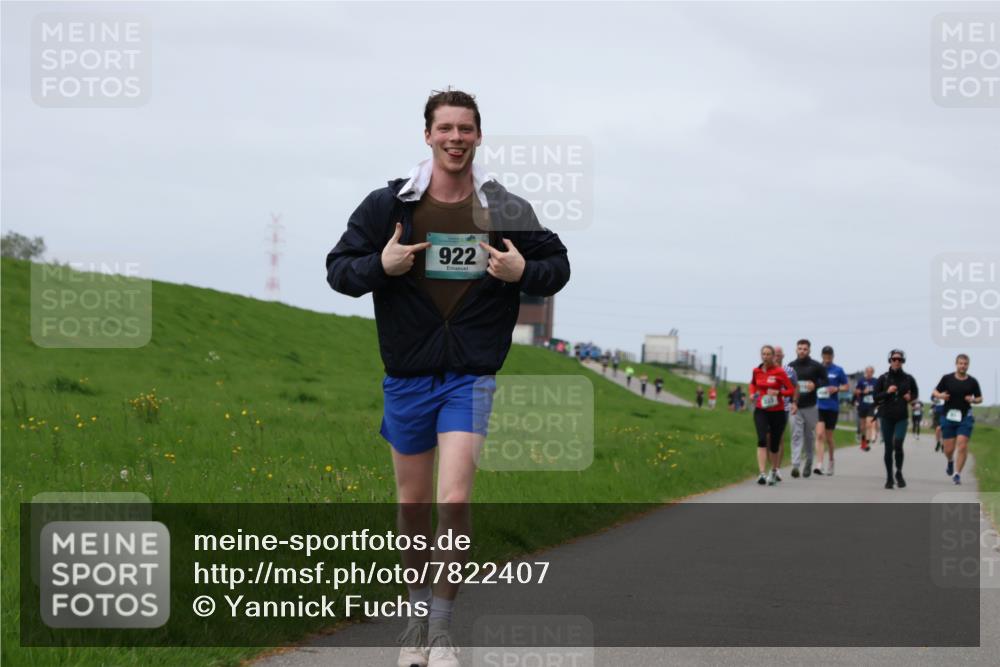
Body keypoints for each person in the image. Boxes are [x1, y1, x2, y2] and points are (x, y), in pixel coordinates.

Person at [326, 88, 570, 667]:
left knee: (454, 498)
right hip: (408, 374)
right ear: (428, 135)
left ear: (479, 136)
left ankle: (440, 630)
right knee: (412, 507)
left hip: (470, 374)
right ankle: (413, 620)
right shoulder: (388, 206)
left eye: (466, 129)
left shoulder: (504, 207)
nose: (456, 138)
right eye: (446, 129)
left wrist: (522, 271)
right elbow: (338, 270)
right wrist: (378, 267)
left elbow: (558, 266)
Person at [932, 354, 983, 485]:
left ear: (968, 365)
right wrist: (941, 396)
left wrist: (973, 400)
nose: (963, 366)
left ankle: (957, 474)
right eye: (960, 363)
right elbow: (935, 392)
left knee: (962, 445)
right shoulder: (947, 378)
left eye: (965, 364)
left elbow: (980, 398)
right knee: (948, 450)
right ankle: (950, 461)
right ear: (956, 364)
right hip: (948, 417)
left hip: (965, 417)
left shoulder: (972, 381)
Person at [749, 345, 795, 486]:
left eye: (769, 354)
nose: (766, 356)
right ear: (761, 355)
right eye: (763, 354)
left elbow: (791, 390)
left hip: (777, 411)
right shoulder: (756, 370)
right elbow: (752, 384)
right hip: (761, 409)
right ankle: (762, 473)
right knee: (762, 439)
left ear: (773, 356)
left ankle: (774, 471)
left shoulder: (779, 372)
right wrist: (752, 393)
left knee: (774, 444)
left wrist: (779, 393)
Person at [874, 349, 918, 489]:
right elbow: (876, 397)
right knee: (888, 448)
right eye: (894, 359)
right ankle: (889, 477)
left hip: (901, 417)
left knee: (898, 445)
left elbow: (915, 393)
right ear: (890, 360)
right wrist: (887, 392)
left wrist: (910, 398)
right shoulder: (883, 378)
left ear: (903, 361)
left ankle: (899, 472)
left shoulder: (908, 378)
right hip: (886, 416)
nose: (897, 361)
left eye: (899, 359)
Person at [787, 339, 827, 478]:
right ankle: (795, 465)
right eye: (800, 348)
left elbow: (825, 381)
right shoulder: (791, 366)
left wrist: (815, 384)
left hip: (811, 406)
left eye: (805, 349)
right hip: (795, 406)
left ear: (809, 350)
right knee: (796, 435)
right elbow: (786, 384)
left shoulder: (816, 366)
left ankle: (809, 462)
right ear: (796, 350)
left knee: (809, 436)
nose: (802, 351)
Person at [815, 345, 849, 476]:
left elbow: (846, 386)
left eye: (829, 355)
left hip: (832, 407)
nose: (827, 358)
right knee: (819, 435)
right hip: (819, 406)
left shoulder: (838, 370)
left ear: (832, 356)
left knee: (829, 438)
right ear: (822, 356)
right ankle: (819, 464)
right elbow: (811, 383)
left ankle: (831, 461)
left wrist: (837, 389)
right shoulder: (817, 369)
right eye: (825, 355)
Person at [773, 345, 799, 479]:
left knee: (779, 438)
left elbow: (796, 387)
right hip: (768, 407)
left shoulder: (790, 371)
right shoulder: (765, 369)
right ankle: (771, 466)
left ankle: (776, 469)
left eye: (779, 354)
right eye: (775, 354)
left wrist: (794, 402)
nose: (777, 356)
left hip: (784, 407)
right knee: (767, 438)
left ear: (783, 356)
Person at [854, 366, 879, 451]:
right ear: (865, 372)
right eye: (867, 371)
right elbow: (856, 391)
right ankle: (863, 442)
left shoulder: (876, 381)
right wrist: (862, 392)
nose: (869, 373)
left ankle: (869, 440)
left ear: (873, 372)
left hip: (871, 406)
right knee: (862, 426)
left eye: (870, 372)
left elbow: (879, 392)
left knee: (869, 423)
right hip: (862, 405)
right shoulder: (861, 381)